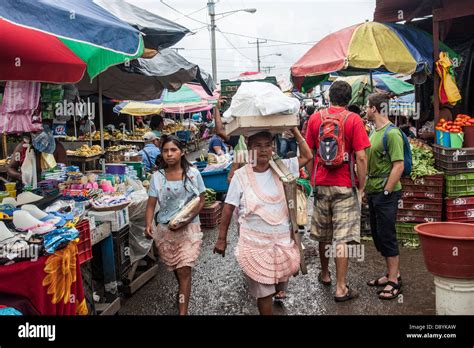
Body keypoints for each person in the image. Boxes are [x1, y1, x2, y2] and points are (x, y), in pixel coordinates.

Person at [213, 128, 313, 315]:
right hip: (255, 244)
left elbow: (308, 155)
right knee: (264, 293)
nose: (264, 150)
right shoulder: (241, 176)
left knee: (278, 284)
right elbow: (228, 208)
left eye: (268, 145)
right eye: (258, 146)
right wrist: (221, 239)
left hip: (281, 241)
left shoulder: (282, 167)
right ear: (249, 148)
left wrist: (293, 129)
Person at [305, 80, 370, 302]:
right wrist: (361, 187)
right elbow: (361, 157)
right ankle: (341, 287)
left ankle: (325, 274)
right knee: (342, 238)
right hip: (344, 184)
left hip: (321, 184)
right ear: (348, 99)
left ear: (329, 97)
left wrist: (313, 179)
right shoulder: (354, 119)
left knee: (324, 234)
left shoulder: (315, 118)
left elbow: (308, 153)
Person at [144, 135, 206, 315]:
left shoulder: (193, 174)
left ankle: (182, 312)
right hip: (166, 232)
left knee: (184, 271)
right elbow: (150, 205)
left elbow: (200, 201)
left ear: (182, 152)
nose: (169, 154)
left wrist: (185, 220)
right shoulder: (157, 177)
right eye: (165, 150)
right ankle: (182, 295)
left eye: (174, 150)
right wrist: (148, 223)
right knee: (177, 270)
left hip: (189, 230)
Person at [365, 93, 404, 300]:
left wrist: (387, 190)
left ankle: (394, 282)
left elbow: (399, 165)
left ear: (374, 108)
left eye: (367, 106)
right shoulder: (374, 132)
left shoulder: (393, 133)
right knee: (378, 236)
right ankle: (390, 273)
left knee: (387, 235)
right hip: (374, 191)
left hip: (386, 192)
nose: (365, 109)